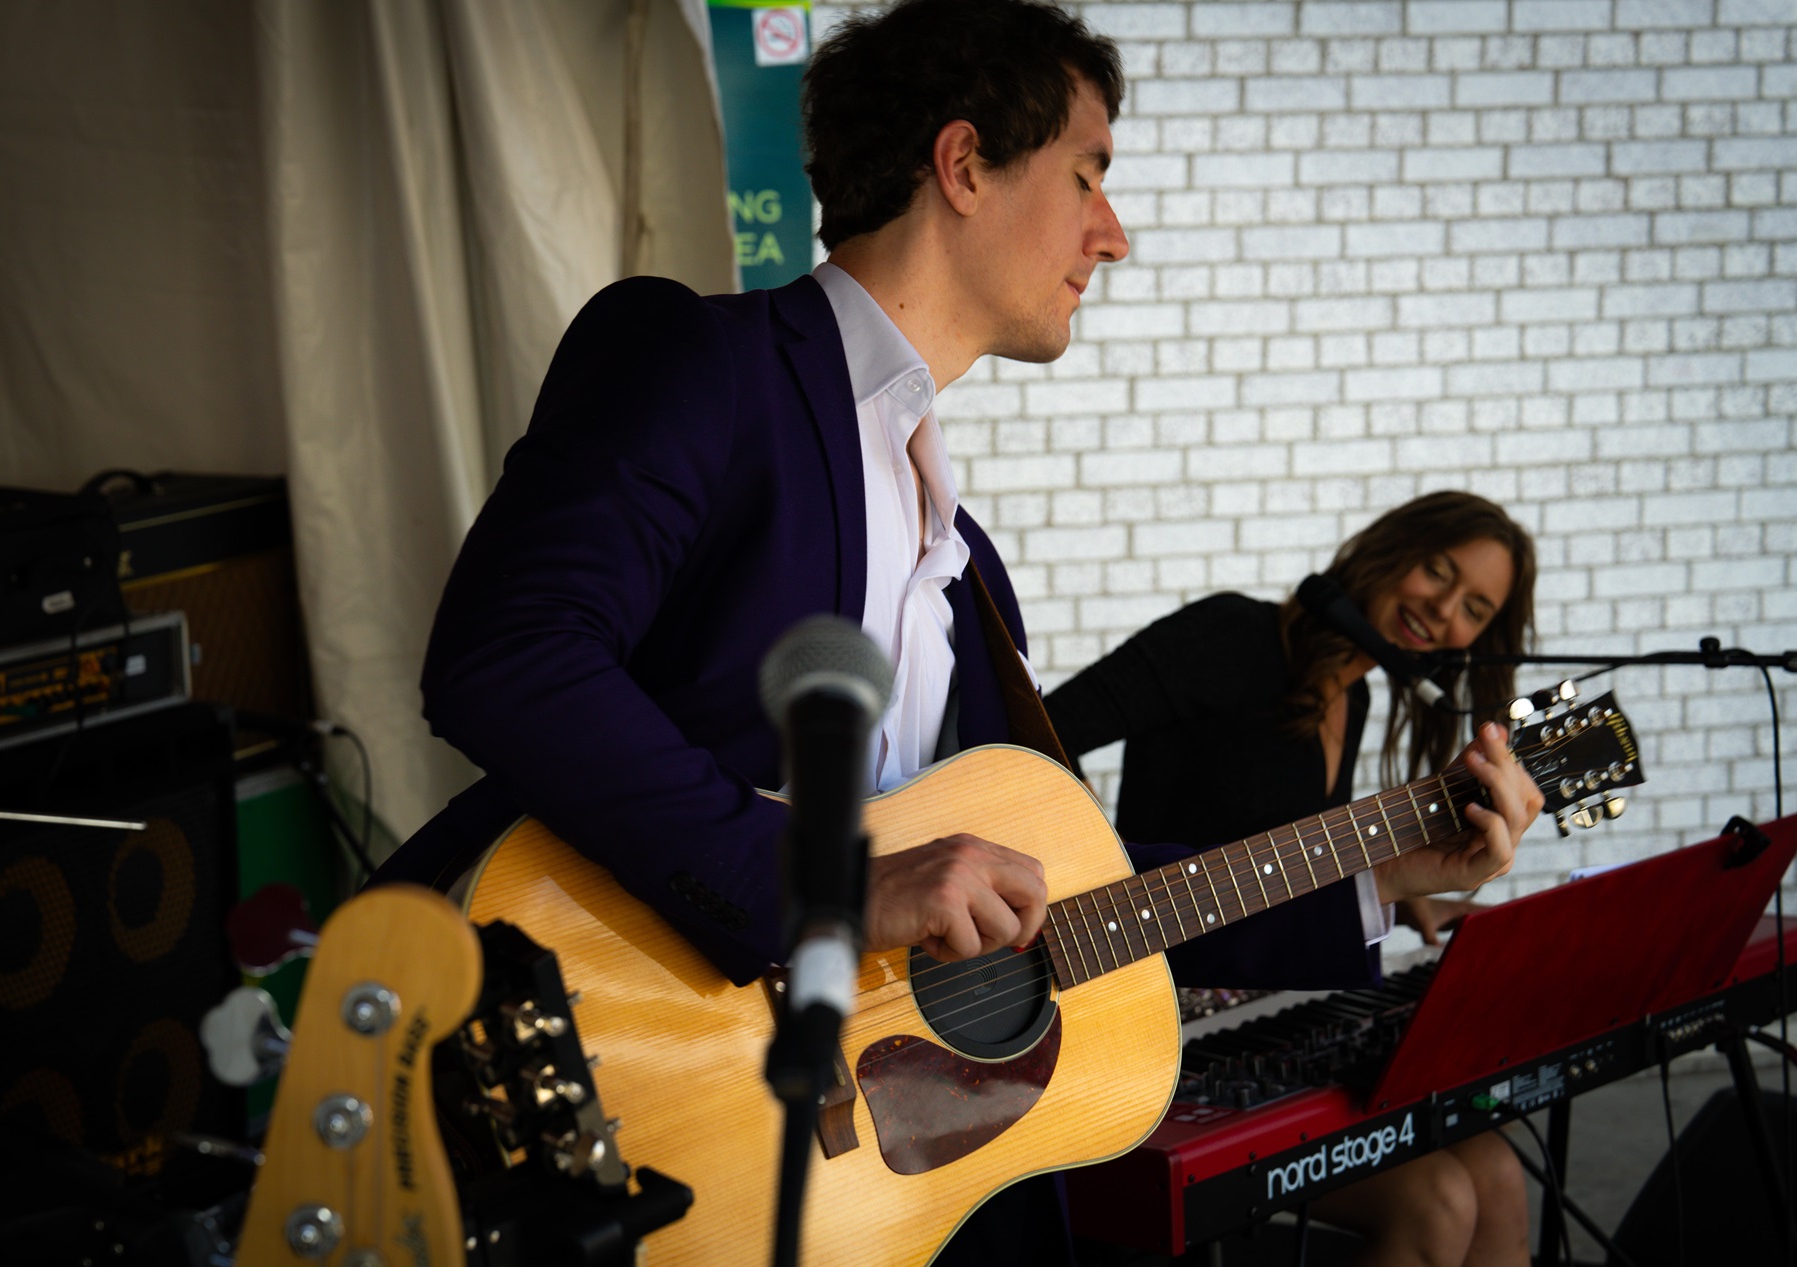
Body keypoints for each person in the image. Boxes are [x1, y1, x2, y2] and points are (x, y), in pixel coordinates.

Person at [398, 0, 1547, 1259]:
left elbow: (1074, 896)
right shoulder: (700, 358)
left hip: (864, 1173)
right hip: (584, 1073)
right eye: (1088, 175)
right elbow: (507, 656)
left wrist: (1380, 872)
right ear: (962, 166)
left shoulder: (962, 556)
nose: (1113, 234)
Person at [1045, 490, 1540, 1267]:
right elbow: (1038, 738)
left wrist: (1404, 895)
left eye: (1473, 607)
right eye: (1437, 572)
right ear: (1388, 550)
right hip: (1149, 1016)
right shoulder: (1231, 633)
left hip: (1256, 1022)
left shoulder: (1360, 693)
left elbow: (1292, 854)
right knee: (1438, 1199)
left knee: (1498, 1172)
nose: (1443, 611)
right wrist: (1092, 880)